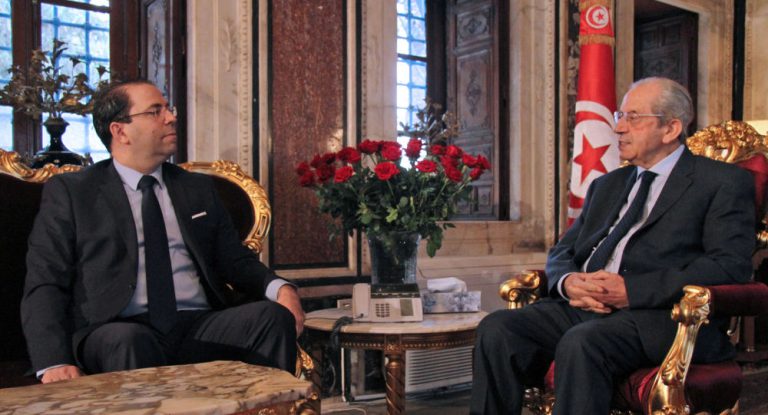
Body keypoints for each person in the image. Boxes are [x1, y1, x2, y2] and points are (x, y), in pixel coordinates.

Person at [470, 77, 756, 414]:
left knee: (583, 342)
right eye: (620, 116)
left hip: (659, 317)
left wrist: (631, 290)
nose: (618, 128)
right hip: (585, 306)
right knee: (498, 329)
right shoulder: (607, 184)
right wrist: (568, 282)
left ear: (671, 128)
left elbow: (729, 265)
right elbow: (563, 250)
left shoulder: (721, 182)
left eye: (633, 117)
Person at [21, 79, 305, 384]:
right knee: (128, 340)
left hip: (196, 323)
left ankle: (273, 406)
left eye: (168, 109)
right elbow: (46, 280)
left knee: (271, 318)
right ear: (120, 131)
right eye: (155, 111)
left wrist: (281, 288)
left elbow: (235, 260)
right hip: (116, 327)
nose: (170, 117)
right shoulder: (74, 192)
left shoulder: (196, 188)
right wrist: (53, 360)